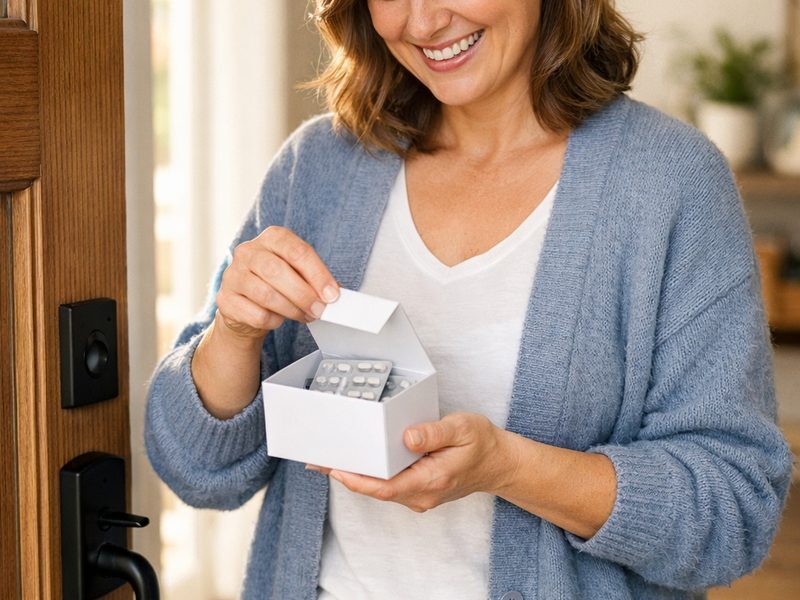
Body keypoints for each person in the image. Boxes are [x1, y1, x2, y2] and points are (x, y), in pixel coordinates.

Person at [145, 1, 793, 598]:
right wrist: (234, 332)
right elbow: (195, 468)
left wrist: (507, 468)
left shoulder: (670, 184)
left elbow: (733, 513)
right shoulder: (317, 167)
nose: (424, 22)